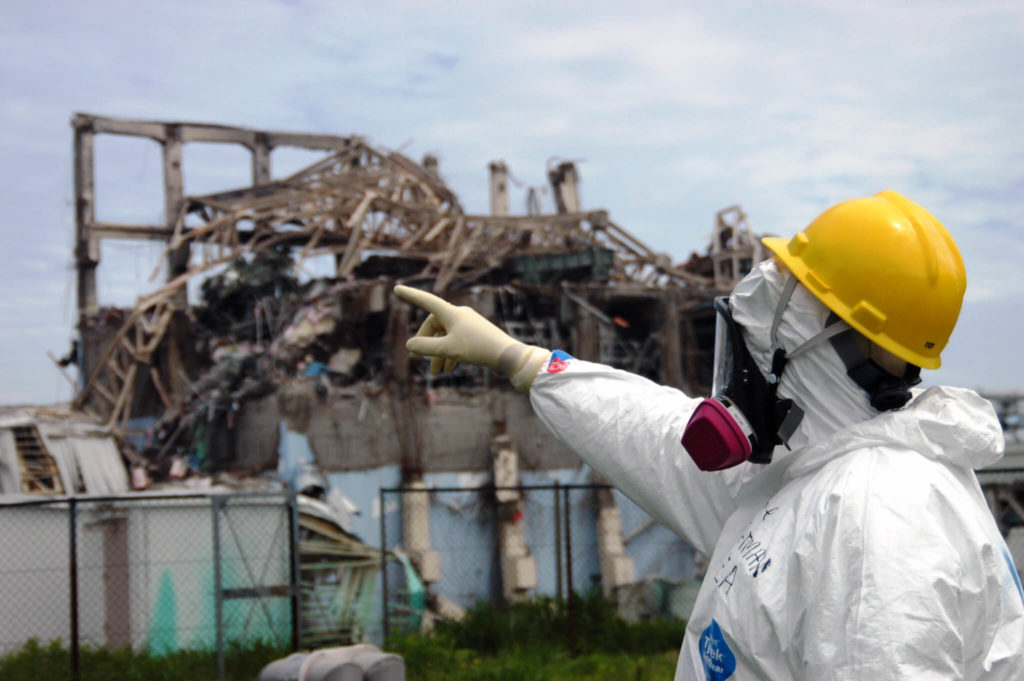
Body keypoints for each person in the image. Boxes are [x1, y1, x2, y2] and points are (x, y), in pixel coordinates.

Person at [394, 191, 1024, 680]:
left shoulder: (878, 520)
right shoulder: (816, 468)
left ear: (817, 334)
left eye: (780, 296)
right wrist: (522, 360)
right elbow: (653, 434)